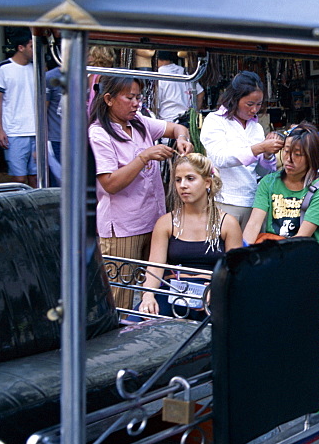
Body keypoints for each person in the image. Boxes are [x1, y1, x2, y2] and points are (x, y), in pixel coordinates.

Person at [89, 76, 193, 309]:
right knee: (119, 298)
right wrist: (144, 156)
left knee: (154, 291)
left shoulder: (140, 123)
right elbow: (110, 184)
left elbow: (177, 127)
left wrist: (182, 139)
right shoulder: (99, 134)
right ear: (108, 99)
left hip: (154, 222)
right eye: (130, 98)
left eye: (139, 97)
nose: (136, 103)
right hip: (123, 228)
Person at [138, 153, 242, 319]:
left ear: (207, 182)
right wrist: (148, 296)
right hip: (172, 290)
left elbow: (235, 269)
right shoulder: (166, 222)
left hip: (211, 292)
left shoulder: (228, 223)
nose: (183, 185)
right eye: (178, 180)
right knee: (134, 324)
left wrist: (218, 287)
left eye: (190, 178)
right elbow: (155, 266)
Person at [200, 71, 284, 229]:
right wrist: (258, 148)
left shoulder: (256, 128)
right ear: (235, 99)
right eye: (250, 104)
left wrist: (267, 155)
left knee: (248, 251)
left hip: (252, 202)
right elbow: (220, 158)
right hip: (224, 201)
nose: (254, 110)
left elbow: (262, 172)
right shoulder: (215, 121)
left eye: (258, 104)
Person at [242, 123, 319, 262]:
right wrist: (243, 255)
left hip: (302, 260)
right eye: (286, 151)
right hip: (272, 256)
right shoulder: (269, 182)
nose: (289, 159)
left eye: (297, 154)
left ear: (311, 157)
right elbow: (253, 224)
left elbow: (301, 238)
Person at [0, 29, 37, 187]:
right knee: (19, 179)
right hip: (15, 131)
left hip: (36, 131)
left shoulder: (37, 69)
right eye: (31, 46)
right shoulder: (3, 68)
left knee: (36, 177)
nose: (34, 50)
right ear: (20, 47)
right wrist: (0, 130)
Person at [155, 50, 204, 123]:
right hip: (187, 120)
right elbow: (200, 93)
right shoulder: (184, 71)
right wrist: (195, 113)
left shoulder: (158, 75)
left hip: (168, 121)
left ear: (156, 58)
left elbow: (155, 104)